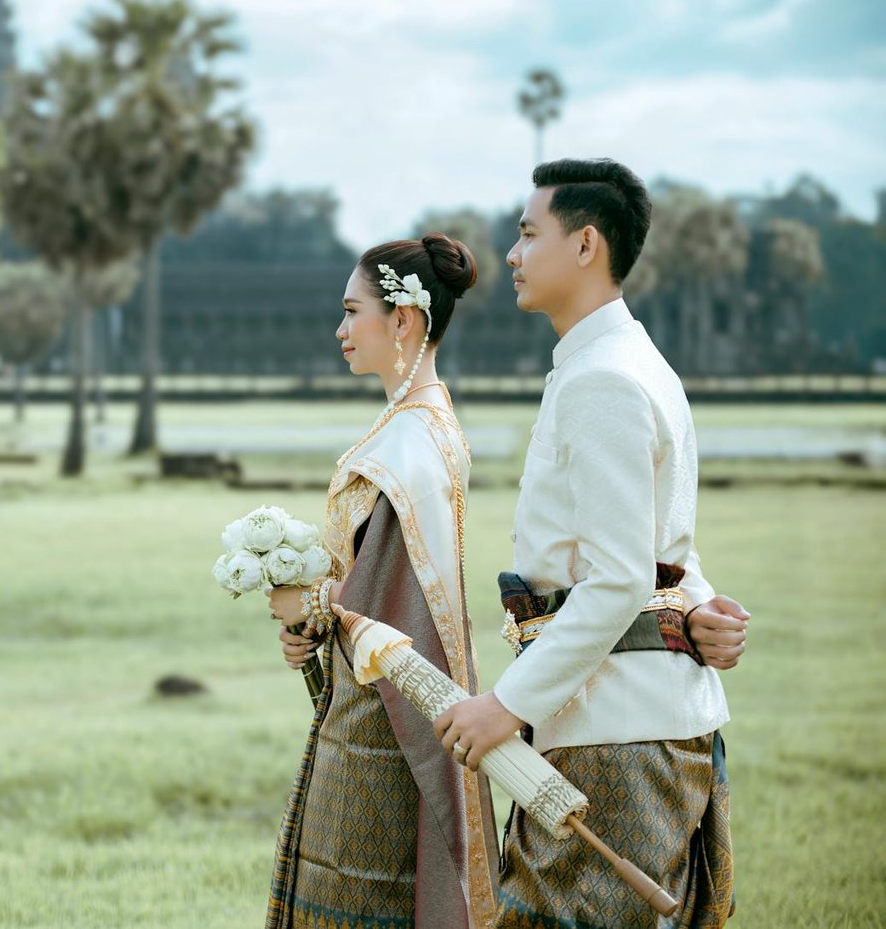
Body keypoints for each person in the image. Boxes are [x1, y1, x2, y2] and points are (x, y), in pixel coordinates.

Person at [434, 158, 750, 928]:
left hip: (616, 732)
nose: (511, 254)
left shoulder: (602, 378)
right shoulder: (628, 363)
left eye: (527, 233)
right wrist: (701, 606)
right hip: (647, 721)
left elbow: (617, 578)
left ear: (584, 246)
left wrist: (506, 705)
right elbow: (660, 550)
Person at [266, 234, 498, 929]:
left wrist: (305, 603)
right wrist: (312, 624)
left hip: (382, 724)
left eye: (352, 311)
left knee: (360, 901)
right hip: (373, 702)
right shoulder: (422, 425)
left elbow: (387, 600)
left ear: (404, 321)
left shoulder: (409, 445)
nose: (340, 330)